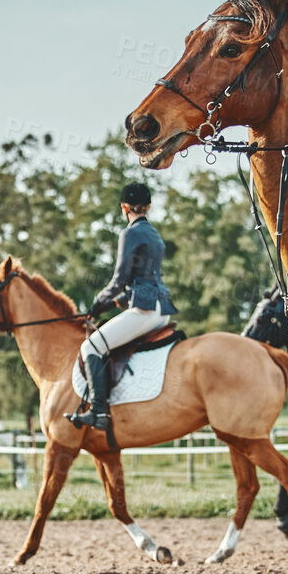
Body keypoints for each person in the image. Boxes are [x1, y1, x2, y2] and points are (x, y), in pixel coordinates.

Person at [68, 183, 176, 433]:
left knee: (91, 346)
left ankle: (98, 411)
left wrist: (98, 302)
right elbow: (144, 278)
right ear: (148, 207)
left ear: (124, 207)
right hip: (162, 308)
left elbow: (119, 280)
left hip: (146, 309)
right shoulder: (154, 233)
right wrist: (120, 301)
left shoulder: (129, 233)